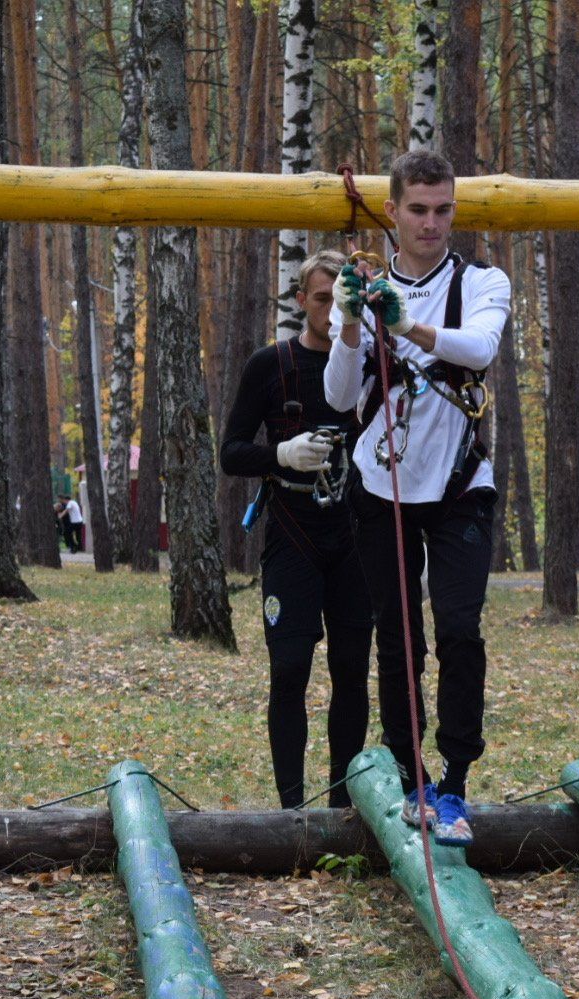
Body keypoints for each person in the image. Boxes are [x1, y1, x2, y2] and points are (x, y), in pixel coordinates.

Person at [323, 149, 511, 846]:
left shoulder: (483, 281)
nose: (431, 224)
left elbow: (478, 346)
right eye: (418, 210)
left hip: (461, 483)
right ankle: (412, 779)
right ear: (393, 212)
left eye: (443, 210)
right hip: (383, 483)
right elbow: (340, 397)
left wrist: (405, 325)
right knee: (399, 635)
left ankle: (457, 781)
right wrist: (350, 324)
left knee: (460, 629)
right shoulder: (368, 291)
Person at [220, 250, 372, 810]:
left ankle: (341, 805)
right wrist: (281, 453)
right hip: (292, 530)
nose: (332, 310)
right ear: (301, 300)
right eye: (322, 298)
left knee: (352, 668)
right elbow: (231, 453)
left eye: (343, 300)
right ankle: (291, 813)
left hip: (356, 533)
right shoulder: (271, 364)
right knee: (289, 669)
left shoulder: (373, 363)